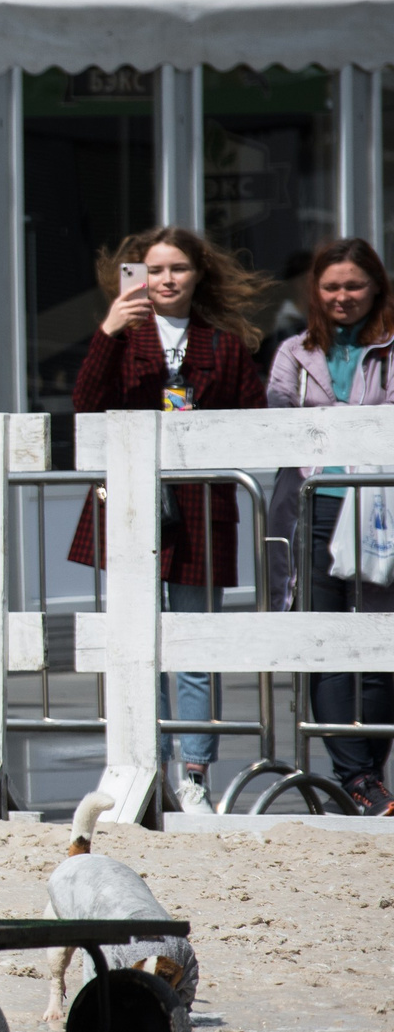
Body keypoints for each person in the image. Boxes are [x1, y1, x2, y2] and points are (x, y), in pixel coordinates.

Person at [69, 228, 264, 815]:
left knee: (193, 646)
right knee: (133, 642)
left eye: (179, 268)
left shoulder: (223, 344)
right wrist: (108, 330)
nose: (167, 280)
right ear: (136, 277)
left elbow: (254, 421)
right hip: (132, 504)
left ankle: (195, 774)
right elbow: (85, 402)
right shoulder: (122, 336)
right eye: (155, 270)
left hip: (201, 507)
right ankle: (140, 762)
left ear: (200, 274)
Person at [265, 239, 394, 814]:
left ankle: (368, 772)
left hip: (380, 508)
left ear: (376, 288)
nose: (343, 297)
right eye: (332, 286)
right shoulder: (294, 351)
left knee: (378, 636)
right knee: (325, 638)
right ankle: (357, 777)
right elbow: (277, 422)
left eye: (355, 285)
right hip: (315, 506)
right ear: (315, 292)